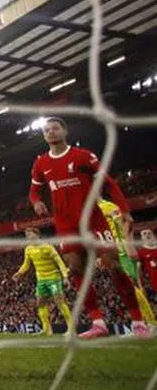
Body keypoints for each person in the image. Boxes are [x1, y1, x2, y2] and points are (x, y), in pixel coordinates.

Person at [28, 117, 149, 339]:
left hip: (93, 219)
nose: (51, 132)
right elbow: (34, 191)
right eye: (46, 130)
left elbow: (109, 183)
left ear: (64, 131)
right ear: (44, 136)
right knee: (74, 268)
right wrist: (36, 201)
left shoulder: (83, 156)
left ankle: (138, 321)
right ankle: (98, 322)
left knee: (113, 266)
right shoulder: (41, 163)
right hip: (66, 224)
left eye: (55, 128)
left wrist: (125, 210)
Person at [96, 199, 155, 326]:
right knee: (128, 289)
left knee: (133, 288)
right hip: (111, 253)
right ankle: (145, 322)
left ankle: (150, 322)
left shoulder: (109, 206)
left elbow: (126, 224)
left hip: (122, 252)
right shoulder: (92, 211)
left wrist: (129, 245)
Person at [11, 228, 73, 335]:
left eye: (30, 234)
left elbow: (59, 262)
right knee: (40, 303)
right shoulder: (28, 249)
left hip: (53, 279)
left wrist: (65, 277)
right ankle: (47, 329)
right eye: (26, 235)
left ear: (37, 235)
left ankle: (71, 328)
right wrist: (19, 273)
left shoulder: (48, 247)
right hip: (41, 281)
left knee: (59, 301)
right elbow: (26, 264)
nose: (28, 237)